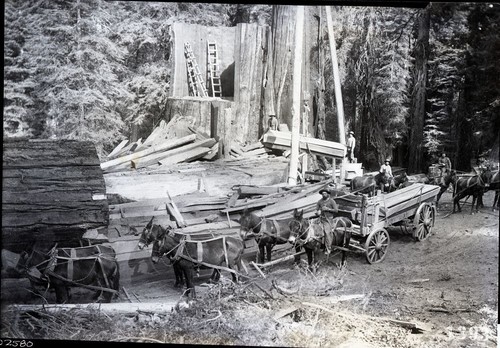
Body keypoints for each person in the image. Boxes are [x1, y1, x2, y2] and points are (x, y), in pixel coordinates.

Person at [315, 188, 338, 255]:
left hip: (328, 219)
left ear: (328, 194)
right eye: (322, 194)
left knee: (327, 233)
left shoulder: (332, 201)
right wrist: (317, 212)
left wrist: (328, 209)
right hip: (321, 218)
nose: (323, 195)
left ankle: (328, 248)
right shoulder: (320, 201)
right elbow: (317, 209)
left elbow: (336, 210)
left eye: (325, 193)